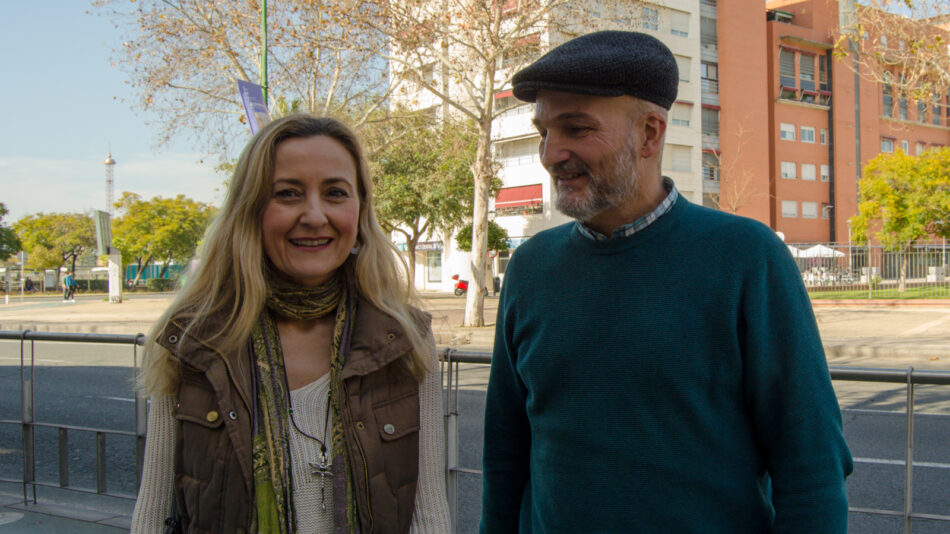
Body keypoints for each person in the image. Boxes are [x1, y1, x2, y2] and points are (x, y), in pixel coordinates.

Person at [480, 31, 853, 533]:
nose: (550, 153)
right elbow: (505, 455)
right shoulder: (530, 267)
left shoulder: (746, 257)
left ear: (651, 133)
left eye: (575, 129)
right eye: (544, 131)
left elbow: (811, 464)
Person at [131, 115, 451, 533]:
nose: (315, 216)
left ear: (360, 209)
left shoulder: (404, 339)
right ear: (250, 210)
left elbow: (427, 515)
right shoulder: (192, 341)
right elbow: (153, 513)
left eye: (335, 193)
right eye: (287, 193)